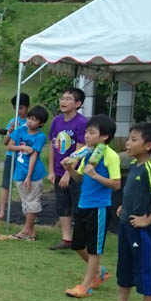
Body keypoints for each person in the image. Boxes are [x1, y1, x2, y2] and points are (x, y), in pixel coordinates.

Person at [96, 123, 151, 301]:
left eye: (133, 139)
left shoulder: (150, 168)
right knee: (125, 265)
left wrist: (147, 220)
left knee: (146, 268)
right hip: (127, 226)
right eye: (129, 138)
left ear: (148, 145)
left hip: (142, 230)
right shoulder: (134, 165)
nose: (128, 143)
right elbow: (137, 194)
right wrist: (125, 208)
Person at [61, 115, 121, 298]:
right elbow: (79, 178)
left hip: (99, 207)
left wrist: (95, 176)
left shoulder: (110, 155)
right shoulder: (87, 153)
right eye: (86, 132)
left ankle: (85, 286)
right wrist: (69, 169)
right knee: (78, 245)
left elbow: (116, 184)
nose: (86, 136)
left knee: (94, 248)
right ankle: (100, 272)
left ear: (104, 136)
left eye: (91, 132)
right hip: (83, 204)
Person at [48, 87, 88, 250]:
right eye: (62, 98)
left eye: (68, 99)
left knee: (78, 205)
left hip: (75, 172)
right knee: (62, 205)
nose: (63, 101)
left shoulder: (81, 122)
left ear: (78, 103)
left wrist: (67, 173)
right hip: (58, 170)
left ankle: (80, 239)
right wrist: (51, 170)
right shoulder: (56, 121)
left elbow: (80, 149)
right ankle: (66, 239)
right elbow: (52, 146)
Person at [6, 105, 49, 241]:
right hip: (20, 171)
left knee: (32, 201)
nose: (30, 122)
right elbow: (10, 146)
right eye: (30, 118)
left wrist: (29, 177)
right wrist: (23, 147)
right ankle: (31, 232)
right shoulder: (21, 130)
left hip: (33, 173)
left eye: (35, 120)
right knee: (25, 202)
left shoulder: (40, 136)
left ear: (41, 123)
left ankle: (25, 230)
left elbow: (34, 156)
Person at [0, 92, 30, 222]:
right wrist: (11, 132)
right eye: (16, 108)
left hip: (24, 157)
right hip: (11, 155)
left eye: (21, 108)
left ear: (27, 107)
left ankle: (28, 213)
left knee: (24, 184)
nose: (18, 111)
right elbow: (6, 142)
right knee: (6, 184)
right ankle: (1, 213)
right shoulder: (13, 121)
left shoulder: (31, 121)